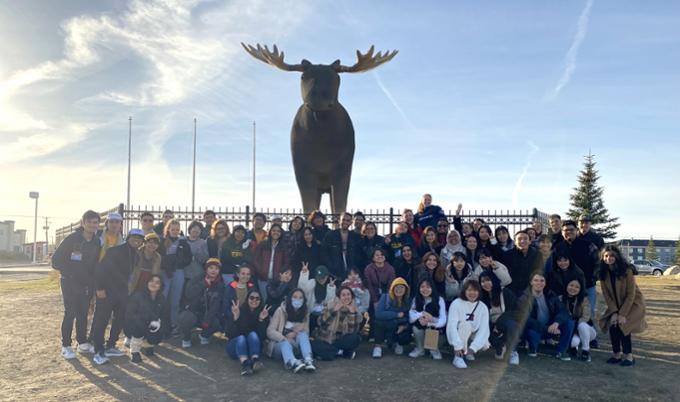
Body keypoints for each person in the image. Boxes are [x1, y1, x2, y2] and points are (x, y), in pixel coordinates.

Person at [52, 210, 101, 359]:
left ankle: (82, 343)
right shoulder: (72, 239)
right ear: (83, 223)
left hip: (86, 284)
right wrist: (70, 274)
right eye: (90, 222)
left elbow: (94, 264)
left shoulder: (96, 241)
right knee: (70, 312)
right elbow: (56, 261)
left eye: (95, 223)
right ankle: (66, 345)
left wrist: (92, 282)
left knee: (83, 313)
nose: (93, 225)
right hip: (69, 282)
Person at [92, 228, 145, 365]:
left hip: (121, 292)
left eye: (140, 239)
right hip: (106, 290)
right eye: (134, 237)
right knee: (101, 320)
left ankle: (110, 345)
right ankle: (98, 350)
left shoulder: (136, 255)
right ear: (128, 238)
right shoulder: (114, 251)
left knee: (120, 318)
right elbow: (100, 269)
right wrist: (99, 288)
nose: (137, 240)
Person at [599, 245, 646, 367]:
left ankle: (628, 356)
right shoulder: (603, 273)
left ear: (617, 256)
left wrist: (622, 314)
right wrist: (614, 312)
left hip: (632, 303)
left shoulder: (626, 270)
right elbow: (606, 295)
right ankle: (616, 354)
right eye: (606, 256)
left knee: (623, 326)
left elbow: (631, 294)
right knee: (613, 325)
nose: (609, 258)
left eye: (612, 256)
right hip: (615, 304)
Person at [518, 272, 573, 360]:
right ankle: (531, 347)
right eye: (536, 280)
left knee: (569, 322)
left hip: (550, 327)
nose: (539, 283)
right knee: (532, 343)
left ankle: (562, 351)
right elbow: (526, 319)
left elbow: (563, 311)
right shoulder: (524, 297)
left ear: (545, 283)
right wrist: (545, 328)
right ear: (531, 282)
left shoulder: (550, 295)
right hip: (534, 329)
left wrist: (556, 323)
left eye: (542, 280)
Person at [555, 220, 600, 319]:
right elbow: (555, 267)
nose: (569, 232)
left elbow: (598, 262)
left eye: (571, 229)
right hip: (566, 288)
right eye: (565, 230)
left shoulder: (588, 245)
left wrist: (593, 278)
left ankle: (588, 332)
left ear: (576, 230)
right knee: (567, 314)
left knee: (588, 314)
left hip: (588, 285)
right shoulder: (558, 248)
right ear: (562, 232)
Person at [178, 258, 225, 348]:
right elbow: (188, 294)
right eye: (211, 267)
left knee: (216, 323)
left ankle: (204, 335)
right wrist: (203, 284)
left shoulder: (220, 284)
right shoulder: (197, 278)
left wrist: (208, 320)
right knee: (185, 319)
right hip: (193, 311)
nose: (213, 270)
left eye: (216, 268)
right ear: (206, 269)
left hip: (207, 313)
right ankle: (186, 338)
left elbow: (216, 304)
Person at [266, 288, 316, 373]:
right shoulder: (280, 311)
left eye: (300, 298)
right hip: (279, 345)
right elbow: (270, 331)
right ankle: (292, 362)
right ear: (290, 298)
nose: (298, 300)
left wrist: (295, 334)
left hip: (294, 344)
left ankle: (308, 360)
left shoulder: (305, 312)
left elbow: (306, 331)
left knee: (303, 335)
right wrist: (284, 338)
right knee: (285, 344)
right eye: (295, 297)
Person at [225, 289, 271, 375]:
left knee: (253, 334)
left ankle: (255, 361)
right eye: (252, 298)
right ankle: (245, 364)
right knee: (241, 338)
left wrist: (261, 320)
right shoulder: (239, 311)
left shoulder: (263, 313)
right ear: (247, 299)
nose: (254, 300)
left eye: (257, 299)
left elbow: (262, 336)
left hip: (252, 348)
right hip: (236, 347)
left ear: (260, 301)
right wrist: (235, 318)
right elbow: (229, 334)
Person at [124, 275, 169, 363]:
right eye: (151, 281)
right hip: (134, 324)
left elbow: (165, 315)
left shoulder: (162, 298)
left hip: (151, 325)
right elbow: (129, 314)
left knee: (157, 333)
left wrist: (159, 323)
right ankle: (135, 351)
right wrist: (144, 321)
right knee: (139, 325)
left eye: (157, 282)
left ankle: (148, 345)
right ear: (147, 282)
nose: (154, 284)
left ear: (160, 286)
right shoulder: (138, 295)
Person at [447, 280, 490, 369]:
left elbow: (484, 329)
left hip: (473, 333)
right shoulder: (456, 303)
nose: (472, 293)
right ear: (464, 291)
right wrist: (457, 345)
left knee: (485, 344)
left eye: (475, 290)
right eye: (469, 290)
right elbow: (451, 325)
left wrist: (474, 348)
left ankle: (467, 351)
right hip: (461, 331)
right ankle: (458, 356)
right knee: (466, 325)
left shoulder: (482, 307)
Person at [311, 286, 363, 360]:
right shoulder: (330, 305)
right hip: (326, 338)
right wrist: (333, 311)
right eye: (343, 295)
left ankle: (330, 352)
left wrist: (352, 314)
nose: (346, 297)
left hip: (341, 340)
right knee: (312, 344)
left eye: (348, 294)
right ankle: (341, 352)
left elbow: (352, 331)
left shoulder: (355, 309)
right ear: (339, 297)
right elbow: (321, 323)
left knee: (356, 338)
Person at [479, 271, 519, 365]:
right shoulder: (481, 296)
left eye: (488, 280)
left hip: (505, 321)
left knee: (511, 325)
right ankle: (500, 346)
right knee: (484, 332)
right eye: (482, 281)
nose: (485, 283)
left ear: (494, 280)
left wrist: (499, 322)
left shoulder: (505, 292)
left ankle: (513, 352)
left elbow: (515, 311)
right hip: (491, 325)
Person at [160, 219, 193, 331]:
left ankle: (174, 323)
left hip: (178, 271)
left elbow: (188, 258)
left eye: (177, 229)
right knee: (162, 298)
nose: (175, 231)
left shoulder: (183, 242)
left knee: (175, 300)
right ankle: (160, 323)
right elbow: (158, 257)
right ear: (168, 229)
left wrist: (178, 262)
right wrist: (167, 263)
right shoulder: (162, 241)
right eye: (172, 229)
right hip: (164, 272)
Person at [409, 278, 447, 360]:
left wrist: (431, 320)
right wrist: (422, 314)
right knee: (416, 327)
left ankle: (434, 349)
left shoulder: (439, 299)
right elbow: (411, 317)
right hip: (422, 329)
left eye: (428, 287)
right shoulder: (416, 299)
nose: (425, 289)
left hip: (436, 331)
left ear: (432, 288)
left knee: (432, 329)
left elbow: (443, 320)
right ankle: (420, 348)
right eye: (422, 287)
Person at [373, 277, 412, 358]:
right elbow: (378, 313)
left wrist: (405, 326)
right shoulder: (385, 297)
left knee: (407, 330)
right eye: (397, 287)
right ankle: (377, 347)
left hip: (400, 325)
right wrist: (396, 314)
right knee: (378, 322)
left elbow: (410, 316)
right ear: (392, 288)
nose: (399, 290)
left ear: (406, 289)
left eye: (402, 287)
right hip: (387, 324)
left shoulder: (408, 300)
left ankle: (398, 343)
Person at [561, 278, 596, 362]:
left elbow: (586, 317)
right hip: (571, 331)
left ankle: (585, 351)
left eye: (577, 287)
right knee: (574, 342)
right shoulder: (560, 299)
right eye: (571, 285)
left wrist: (575, 328)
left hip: (586, 330)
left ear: (580, 289)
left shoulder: (584, 300)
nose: (573, 288)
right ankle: (574, 348)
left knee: (582, 325)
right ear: (566, 286)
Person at [254, 223, 289, 302]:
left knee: (274, 301)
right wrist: (261, 271)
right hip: (263, 279)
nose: (276, 232)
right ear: (270, 232)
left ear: (281, 233)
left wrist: (280, 274)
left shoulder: (283, 246)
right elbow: (256, 260)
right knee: (263, 300)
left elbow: (286, 262)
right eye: (274, 230)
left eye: (278, 231)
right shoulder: (263, 244)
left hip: (276, 280)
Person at [298, 263, 336, 335]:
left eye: (323, 277)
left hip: (322, 314)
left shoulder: (327, 286)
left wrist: (331, 288)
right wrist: (304, 273)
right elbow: (302, 289)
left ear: (327, 277)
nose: (321, 280)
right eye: (319, 277)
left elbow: (330, 302)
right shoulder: (312, 283)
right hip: (310, 314)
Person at [322, 212, 362, 280]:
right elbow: (324, 252)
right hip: (334, 272)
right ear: (339, 221)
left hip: (351, 271)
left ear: (351, 222)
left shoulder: (355, 237)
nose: (345, 222)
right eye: (343, 219)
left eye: (348, 220)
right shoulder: (330, 235)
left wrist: (354, 268)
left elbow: (358, 253)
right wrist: (330, 266)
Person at [501, 230, 539, 297]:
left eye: (525, 239)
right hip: (513, 291)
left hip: (531, 291)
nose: (522, 241)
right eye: (519, 239)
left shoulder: (537, 255)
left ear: (530, 241)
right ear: (515, 242)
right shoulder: (507, 255)